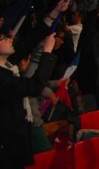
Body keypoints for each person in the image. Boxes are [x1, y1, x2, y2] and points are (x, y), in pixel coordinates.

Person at [0, 31, 57, 168]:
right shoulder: (2, 76)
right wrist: (47, 52)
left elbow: (29, 41)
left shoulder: (8, 67)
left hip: (13, 139)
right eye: (4, 38)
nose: (10, 39)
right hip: (7, 144)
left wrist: (54, 12)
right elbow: (34, 86)